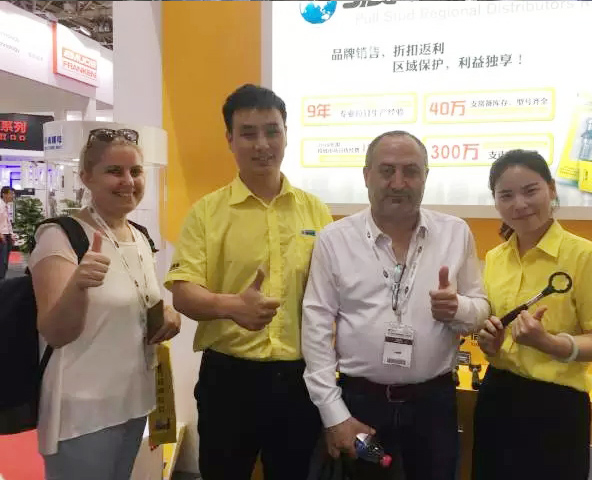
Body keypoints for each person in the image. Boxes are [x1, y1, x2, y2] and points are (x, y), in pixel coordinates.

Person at [165, 84, 333, 480]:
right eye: (248, 133)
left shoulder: (315, 211)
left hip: (299, 379)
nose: (262, 144)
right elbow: (183, 292)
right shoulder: (207, 212)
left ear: (286, 134)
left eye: (272, 131)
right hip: (229, 380)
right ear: (230, 139)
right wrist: (232, 307)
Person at [302, 130, 490, 480]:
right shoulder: (335, 240)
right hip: (360, 403)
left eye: (411, 171)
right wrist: (334, 415)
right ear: (366, 175)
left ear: (426, 176)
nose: (399, 183)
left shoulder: (455, 233)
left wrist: (459, 309)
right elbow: (316, 329)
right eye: (387, 170)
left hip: (433, 404)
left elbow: (480, 308)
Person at [29, 128, 181, 480]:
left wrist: (168, 314)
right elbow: (55, 332)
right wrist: (78, 285)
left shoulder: (140, 236)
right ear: (86, 177)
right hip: (82, 414)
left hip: (134, 402)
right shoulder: (61, 236)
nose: (128, 181)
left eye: (136, 171)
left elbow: (139, 303)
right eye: (114, 171)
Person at [472, 149, 592, 480]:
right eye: (506, 195)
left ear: (551, 189)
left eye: (530, 190)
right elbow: (494, 334)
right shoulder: (495, 258)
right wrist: (490, 342)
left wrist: (549, 343)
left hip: (557, 406)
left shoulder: (587, 256)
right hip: (497, 396)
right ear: (496, 202)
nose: (520, 204)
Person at [0, 186, 15, 279]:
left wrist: (12, 235)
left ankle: (3, 279)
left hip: (7, 235)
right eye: (11, 194)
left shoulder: (6, 206)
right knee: (2, 260)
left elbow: (8, 222)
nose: (12, 196)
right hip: (1, 235)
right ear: (4, 194)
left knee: (5, 260)